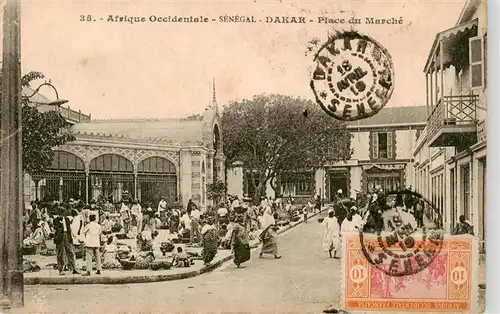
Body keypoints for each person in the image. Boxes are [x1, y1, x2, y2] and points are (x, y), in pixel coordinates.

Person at [53, 207, 79, 275]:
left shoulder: (67, 219)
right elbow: (56, 228)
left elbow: (69, 229)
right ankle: (60, 269)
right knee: (60, 253)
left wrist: (70, 237)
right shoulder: (56, 220)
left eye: (63, 213)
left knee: (70, 252)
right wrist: (60, 221)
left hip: (66, 235)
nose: (62, 214)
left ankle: (73, 268)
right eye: (61, 213)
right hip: (60, 237)